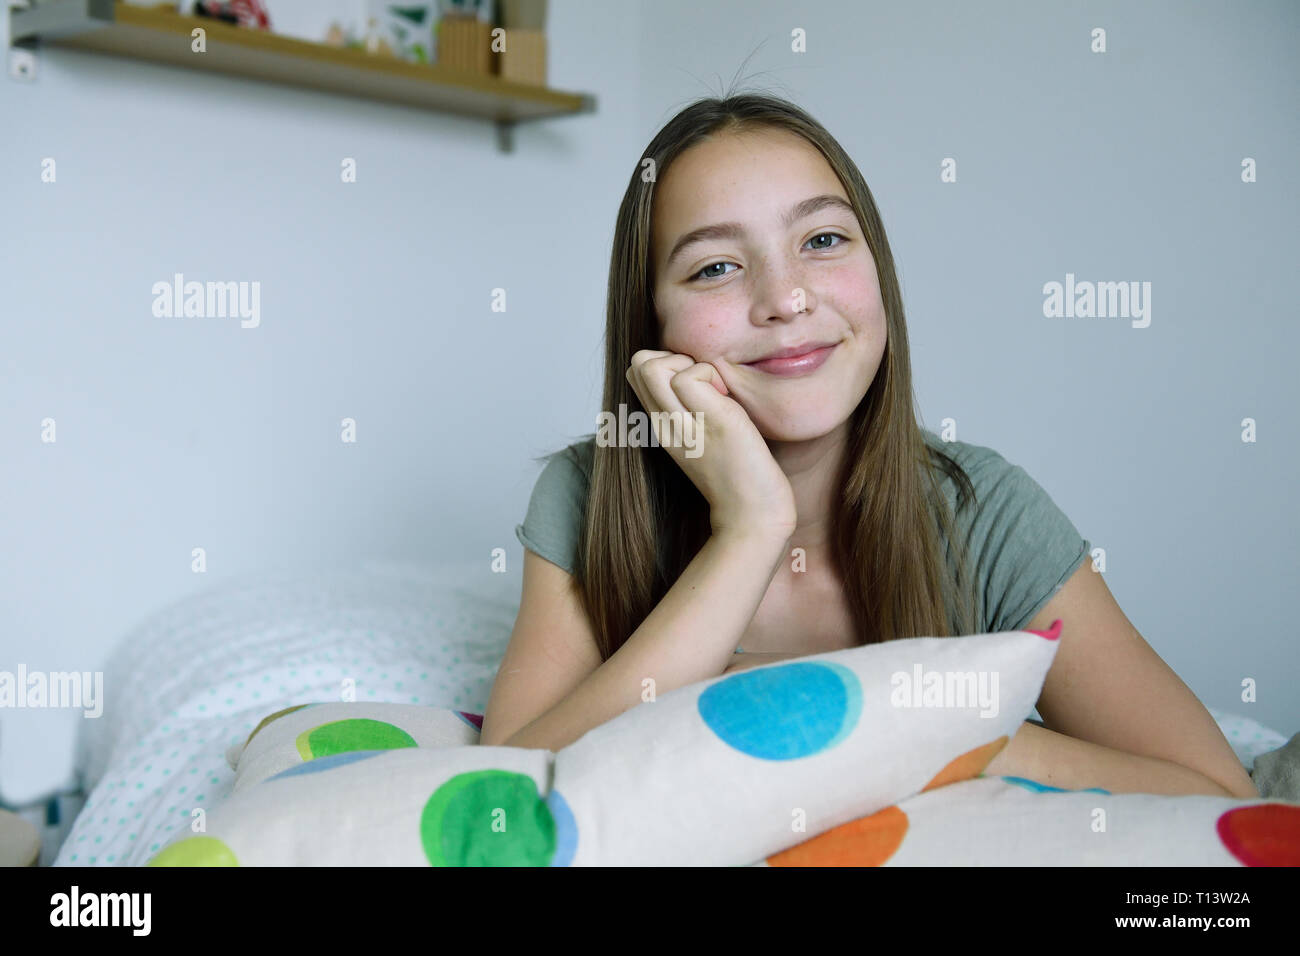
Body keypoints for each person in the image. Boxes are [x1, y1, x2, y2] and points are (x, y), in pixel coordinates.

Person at [480, 92, 1256, 799]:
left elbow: (1215, 791)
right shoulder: (586, 494)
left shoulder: (983, 512)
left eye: (822, 239)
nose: (785, 299)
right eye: (715, 266)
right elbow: (503, 795)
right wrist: (749, 530)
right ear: (652, 327)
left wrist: (952, 742)